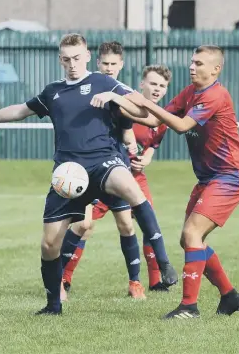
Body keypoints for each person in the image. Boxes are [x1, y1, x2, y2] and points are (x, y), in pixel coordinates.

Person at [0, 33, 172, 315]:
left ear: (87, 56)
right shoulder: (53, 92)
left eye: (77, 58)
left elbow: (144, 114)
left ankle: (164, 262)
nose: (72, 64)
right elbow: (20, 110)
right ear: (60, 60)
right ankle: (53, 305)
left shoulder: (105, 82)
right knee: (49, 244)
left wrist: (113, 96)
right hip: (68, 172)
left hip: (103, 161)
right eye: (67, 59)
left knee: (131, 189)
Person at [127, 45, 239, 319]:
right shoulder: (190, 91)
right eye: (192, 62)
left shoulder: (215, 95)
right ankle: (229, 296)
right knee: (189, 240)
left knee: (192, 234)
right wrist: (120, 105)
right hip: (208, 178)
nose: (192, 67)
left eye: (199, 63)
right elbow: (153, 119)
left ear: (216, 69)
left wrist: (144, 102)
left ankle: (188, 307)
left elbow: (180, 125)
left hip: (229, 176)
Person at [60, 41, 177, 302]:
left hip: (123, 173)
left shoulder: (128, 99)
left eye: (114, 64)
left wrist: (143, 156)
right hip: (96, 171)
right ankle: (63, 277)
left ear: (121, 65)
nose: (109, 68)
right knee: (83, 225)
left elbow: (150, 137)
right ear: (97, 63)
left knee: (131, 224)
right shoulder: (97, 92)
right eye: (105, 64)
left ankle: (146, 280)